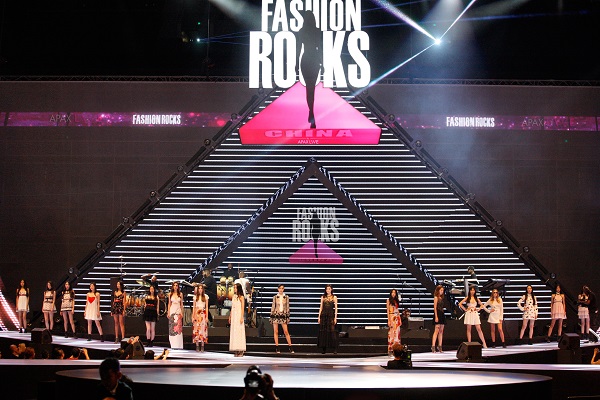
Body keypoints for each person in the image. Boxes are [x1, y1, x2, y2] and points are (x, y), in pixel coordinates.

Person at [296, 10, 322, 129]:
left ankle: (311, 112)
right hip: (314, 59)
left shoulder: (302, 31)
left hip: (306, 59)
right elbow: (319, 48)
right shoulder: (317, 31)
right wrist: (322, 62)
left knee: (309, 88)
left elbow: (298, 49)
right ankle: (311, 112)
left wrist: (296, 64)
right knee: (312, 89)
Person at [269, 284, 294, 354]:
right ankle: (277, 347)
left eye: (282, 288)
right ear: (278, 289)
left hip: (283, 315)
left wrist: (287, 316)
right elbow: (273, 306)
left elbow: (287, 307)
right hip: (276, 315)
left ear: (283, 289)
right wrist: (271, 315)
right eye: (280, 288)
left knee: (286, 331)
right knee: (276, 331)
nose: (281, 290)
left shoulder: (286, 297)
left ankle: (290, 346)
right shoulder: (275, 297)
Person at [318, 284, 338, 354]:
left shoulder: (334, 297)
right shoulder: (323, 297)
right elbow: (321, 307)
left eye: (329, 289)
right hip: (324, 315)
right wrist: (319, 316)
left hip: (331, 315)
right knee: (324, 332)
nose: (328, 290)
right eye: (327, 289)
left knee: (332, 331)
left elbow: (336, 308)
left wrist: (335, 317)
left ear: (331, 289)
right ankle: (324, 348)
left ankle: (335, 348)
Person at [229, 282, 246, 357]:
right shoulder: (233, 297)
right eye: (234, 288)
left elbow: (242, 308)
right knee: (234, 332)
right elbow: (232, 307)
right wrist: (230, 316)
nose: (234, 289)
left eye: (235, 288)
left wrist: (242, 317)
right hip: (234, 316)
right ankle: (235, 349)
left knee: (239, 331)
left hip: (239, 315)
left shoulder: (241, 297)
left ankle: (241, 349)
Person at [192, 283, 209, 352]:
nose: (200, 290)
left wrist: (207, 316)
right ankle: (197, 345)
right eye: (199, 288)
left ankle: (202, 345)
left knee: (202, 329)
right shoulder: (195, 297)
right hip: (197, 314)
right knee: (197, 329)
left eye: (201, 288)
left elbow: (207, 307)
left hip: (203, 314)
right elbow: (194, 307)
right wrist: (193, 316)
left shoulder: (206, 297)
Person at [167, 281, 184, 349]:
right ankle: (173, 344)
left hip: (178, 311)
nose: (175, 287)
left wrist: (182, 312)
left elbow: (181, 304)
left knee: (178, 328)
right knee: (172, 328)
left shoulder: (180, 294)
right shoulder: (170, 294)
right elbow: (169, 304)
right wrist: (168, 312)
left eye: (176, 285)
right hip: (172, 311)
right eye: (174, 285)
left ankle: (179, 345)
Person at [387, 288, 402, 356]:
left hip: (396, 317)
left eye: (394, 293)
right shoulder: (388, 300)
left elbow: (397, 310)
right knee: (391, 333)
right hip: (391, 316)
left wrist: (400, 319)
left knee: (397, 333)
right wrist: (389, 320)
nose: (393, 294)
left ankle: (397, 350)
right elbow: (387, 310)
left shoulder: (396, 301)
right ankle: (390, 349)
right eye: (392, 292)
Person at [431, 285, 446, 353]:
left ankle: (440, 346)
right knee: (436, 330)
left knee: (441, 331)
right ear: (438, 290)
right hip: (438, 313)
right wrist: (436, 316)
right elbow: (435, 308)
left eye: (442, 290)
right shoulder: (436, 298)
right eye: (441, 290)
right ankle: (433, 346)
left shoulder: (441, 298)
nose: (442, 292)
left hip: (442, 314)